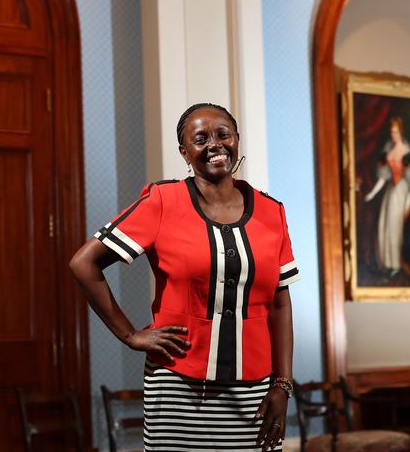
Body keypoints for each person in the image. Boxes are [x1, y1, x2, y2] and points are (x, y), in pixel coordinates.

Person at [69, 103, 300, 451]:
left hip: (256, 395)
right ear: (184, 152)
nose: (215, 144)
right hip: (179, 387)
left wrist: (282, 385)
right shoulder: (162, 201)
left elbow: (280, 304)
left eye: (223, 134)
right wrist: (130, 334)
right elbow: (83, 264)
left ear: (237, 139)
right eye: (200, 138)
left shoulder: (272, 211)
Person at [364, 116, 410, 276]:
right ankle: (387, 263)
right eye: (391, 132)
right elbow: (383, 177)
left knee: (395, 227)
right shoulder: (388, 150)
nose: (393, 135)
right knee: (385, 225)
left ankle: (396, 264)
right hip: (390, 190)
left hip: (402, 190)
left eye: (396, 132)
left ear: (400, 132)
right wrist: (373, 193)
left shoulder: (407, 151)